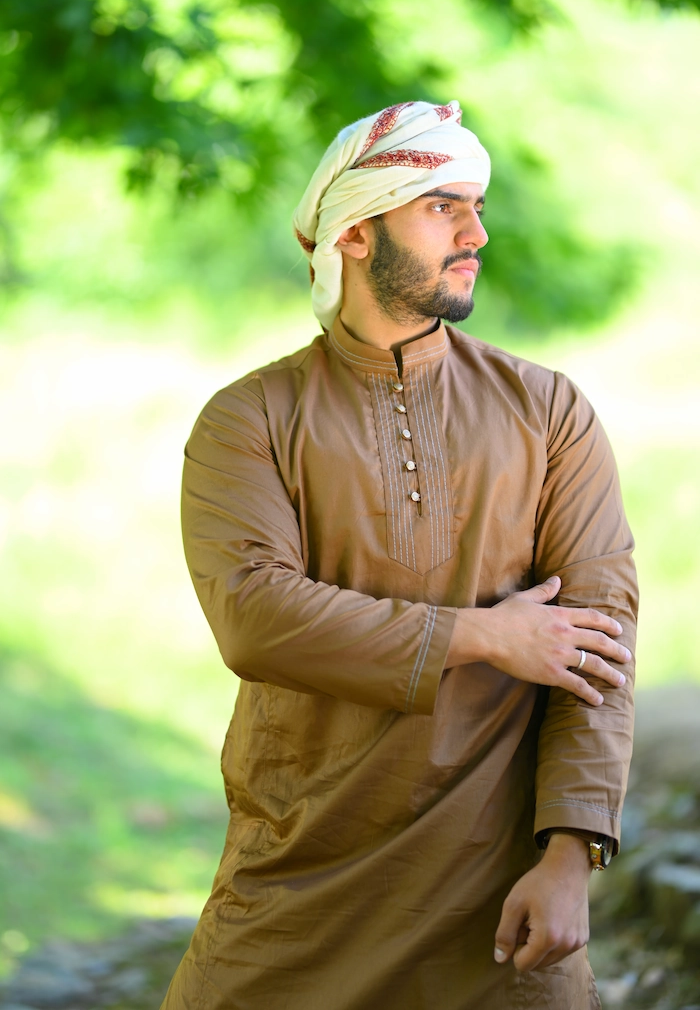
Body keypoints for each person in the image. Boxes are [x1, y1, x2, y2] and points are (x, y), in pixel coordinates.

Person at [161, 100, 637, 1010]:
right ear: (354, 234)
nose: (475, 234)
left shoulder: (549, 411)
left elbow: (598, 644)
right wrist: (485, 636)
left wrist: (571, 856)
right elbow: (255, 616)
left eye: (477, 207)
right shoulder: (249, 419)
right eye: (441, 208)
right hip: (296, 885)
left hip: (497, 897)